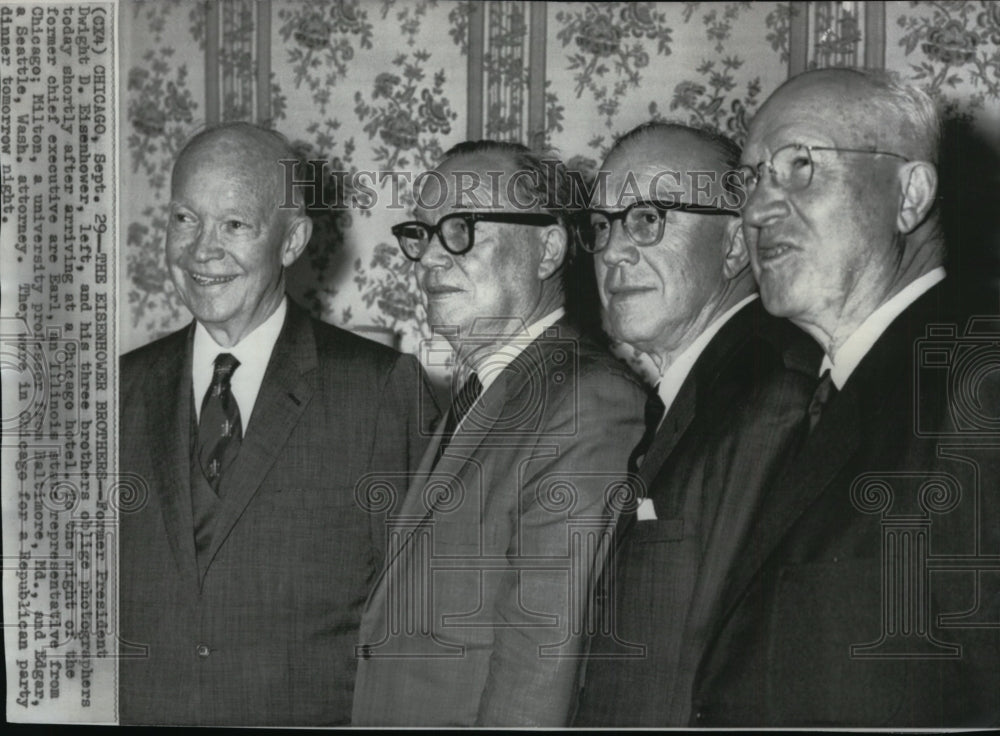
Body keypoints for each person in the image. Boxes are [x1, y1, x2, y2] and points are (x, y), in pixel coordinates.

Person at [694, 68, 1000, 726]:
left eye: (800, 165)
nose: (754, 210)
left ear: (909, 195)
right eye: (749, 179)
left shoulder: (980, 384)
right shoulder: (801, 398)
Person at [118, 122, 437, 726]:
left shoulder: (377, 391)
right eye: (185, 219)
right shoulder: (115, 392)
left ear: (292, 241)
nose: (201, 250)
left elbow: (418, 626)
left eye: (235, 225)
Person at [351, 140, 647, 726]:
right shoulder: (484, 391)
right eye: (424, 234)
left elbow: (540, 667)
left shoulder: (587, 401)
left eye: (460, 228)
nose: (432, 259)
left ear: (548, 247)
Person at [572, 122, 818, 726]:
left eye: (648, 218)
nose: (612, 251)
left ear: (736, 245)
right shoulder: (689, 395)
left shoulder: (771, 395)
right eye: (602, 225)